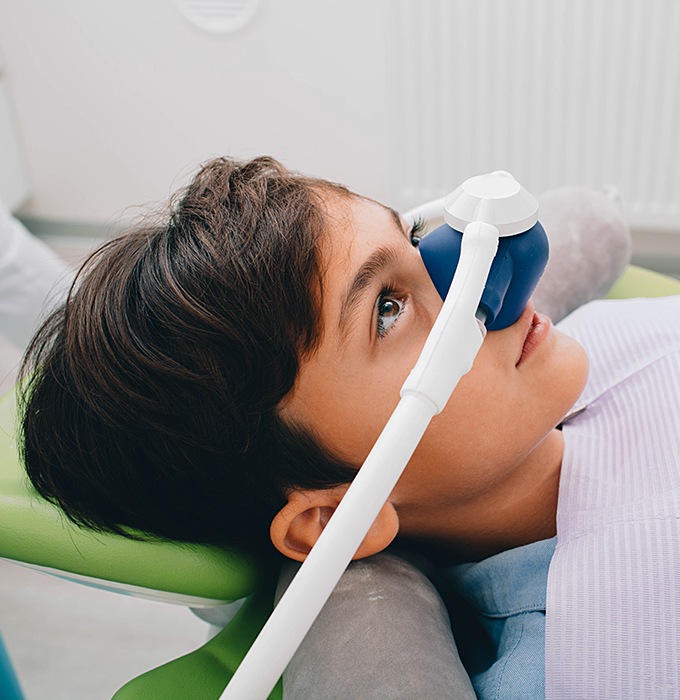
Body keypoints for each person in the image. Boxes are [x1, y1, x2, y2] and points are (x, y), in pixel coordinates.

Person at [17, 156, 680, 698]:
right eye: (388, 310)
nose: (475, 278)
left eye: (415, 241)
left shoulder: (596, 343)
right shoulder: (589, 658)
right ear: (336, 521)